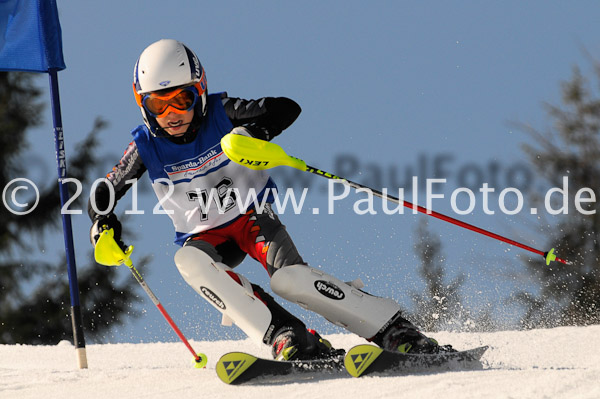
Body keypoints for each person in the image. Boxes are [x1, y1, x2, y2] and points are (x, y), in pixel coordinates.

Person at [88, 39, 452, 361]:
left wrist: (251, 132)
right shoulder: (146, 146)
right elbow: (104, 190)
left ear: (199, 91)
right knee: (188, 261)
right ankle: (288, 336)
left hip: (253, 219)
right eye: (158, 105)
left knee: (290, 280)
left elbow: (285, 108)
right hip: (205, 237)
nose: (172, 115)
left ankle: (395, 329)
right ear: (142, 105)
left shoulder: (222, 112)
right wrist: (103, 222)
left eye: (182, 100)